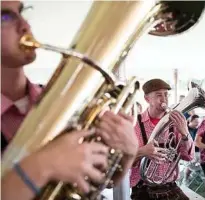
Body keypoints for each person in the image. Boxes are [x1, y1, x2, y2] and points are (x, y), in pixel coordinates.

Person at [1, 1, 138, 199]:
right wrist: (43, 164)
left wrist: (126, 156)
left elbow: (97, 180)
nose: (25, 25)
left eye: (22, 13)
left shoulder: (62, 103)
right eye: (4, 17)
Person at [130, 78, 194, 200]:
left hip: (170, 187)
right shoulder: (134, 124)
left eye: (166, 94)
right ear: (147, 99)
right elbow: (123, 162)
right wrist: (142, 152)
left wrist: (185, 133)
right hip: (143, 189)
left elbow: (189, 157)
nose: (164, 99)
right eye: (159, 95)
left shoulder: (175, 123)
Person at [184, 114, 201, 182]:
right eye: (196, 122)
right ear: (190, 121)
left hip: (196, 151)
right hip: (188, 152)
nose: (197, 124)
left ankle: (187, 178)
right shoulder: (185, 129)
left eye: (198, 122)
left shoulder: (197, 129)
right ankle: (187, 178)